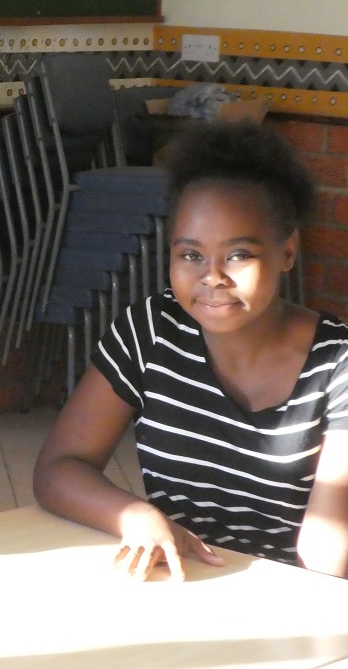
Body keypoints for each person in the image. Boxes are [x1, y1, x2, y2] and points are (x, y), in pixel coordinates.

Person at [33, 121, 348, 581]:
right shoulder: (151, 331)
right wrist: (133, 515)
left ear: (287, 251)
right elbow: (58, 468)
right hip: (183, 583)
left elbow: (327, 555)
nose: (212, 277)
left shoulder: (337, 365)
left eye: (239, 254)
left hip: (298, 597)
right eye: (191, 254)